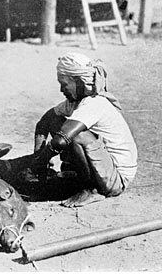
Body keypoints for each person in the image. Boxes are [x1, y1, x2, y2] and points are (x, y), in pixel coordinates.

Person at [31, 52, 137, 207]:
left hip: (116, 179)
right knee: (56, 121)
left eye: (64, 84)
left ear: (78, 81)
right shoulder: (74, 102)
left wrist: (39, 163)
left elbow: (60, 141)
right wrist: (38, 153)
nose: (61, 89)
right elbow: (44, 123)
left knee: (75, 134)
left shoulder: (94, 103)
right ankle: (77, 176)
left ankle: (91, 190)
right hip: (103, 170)